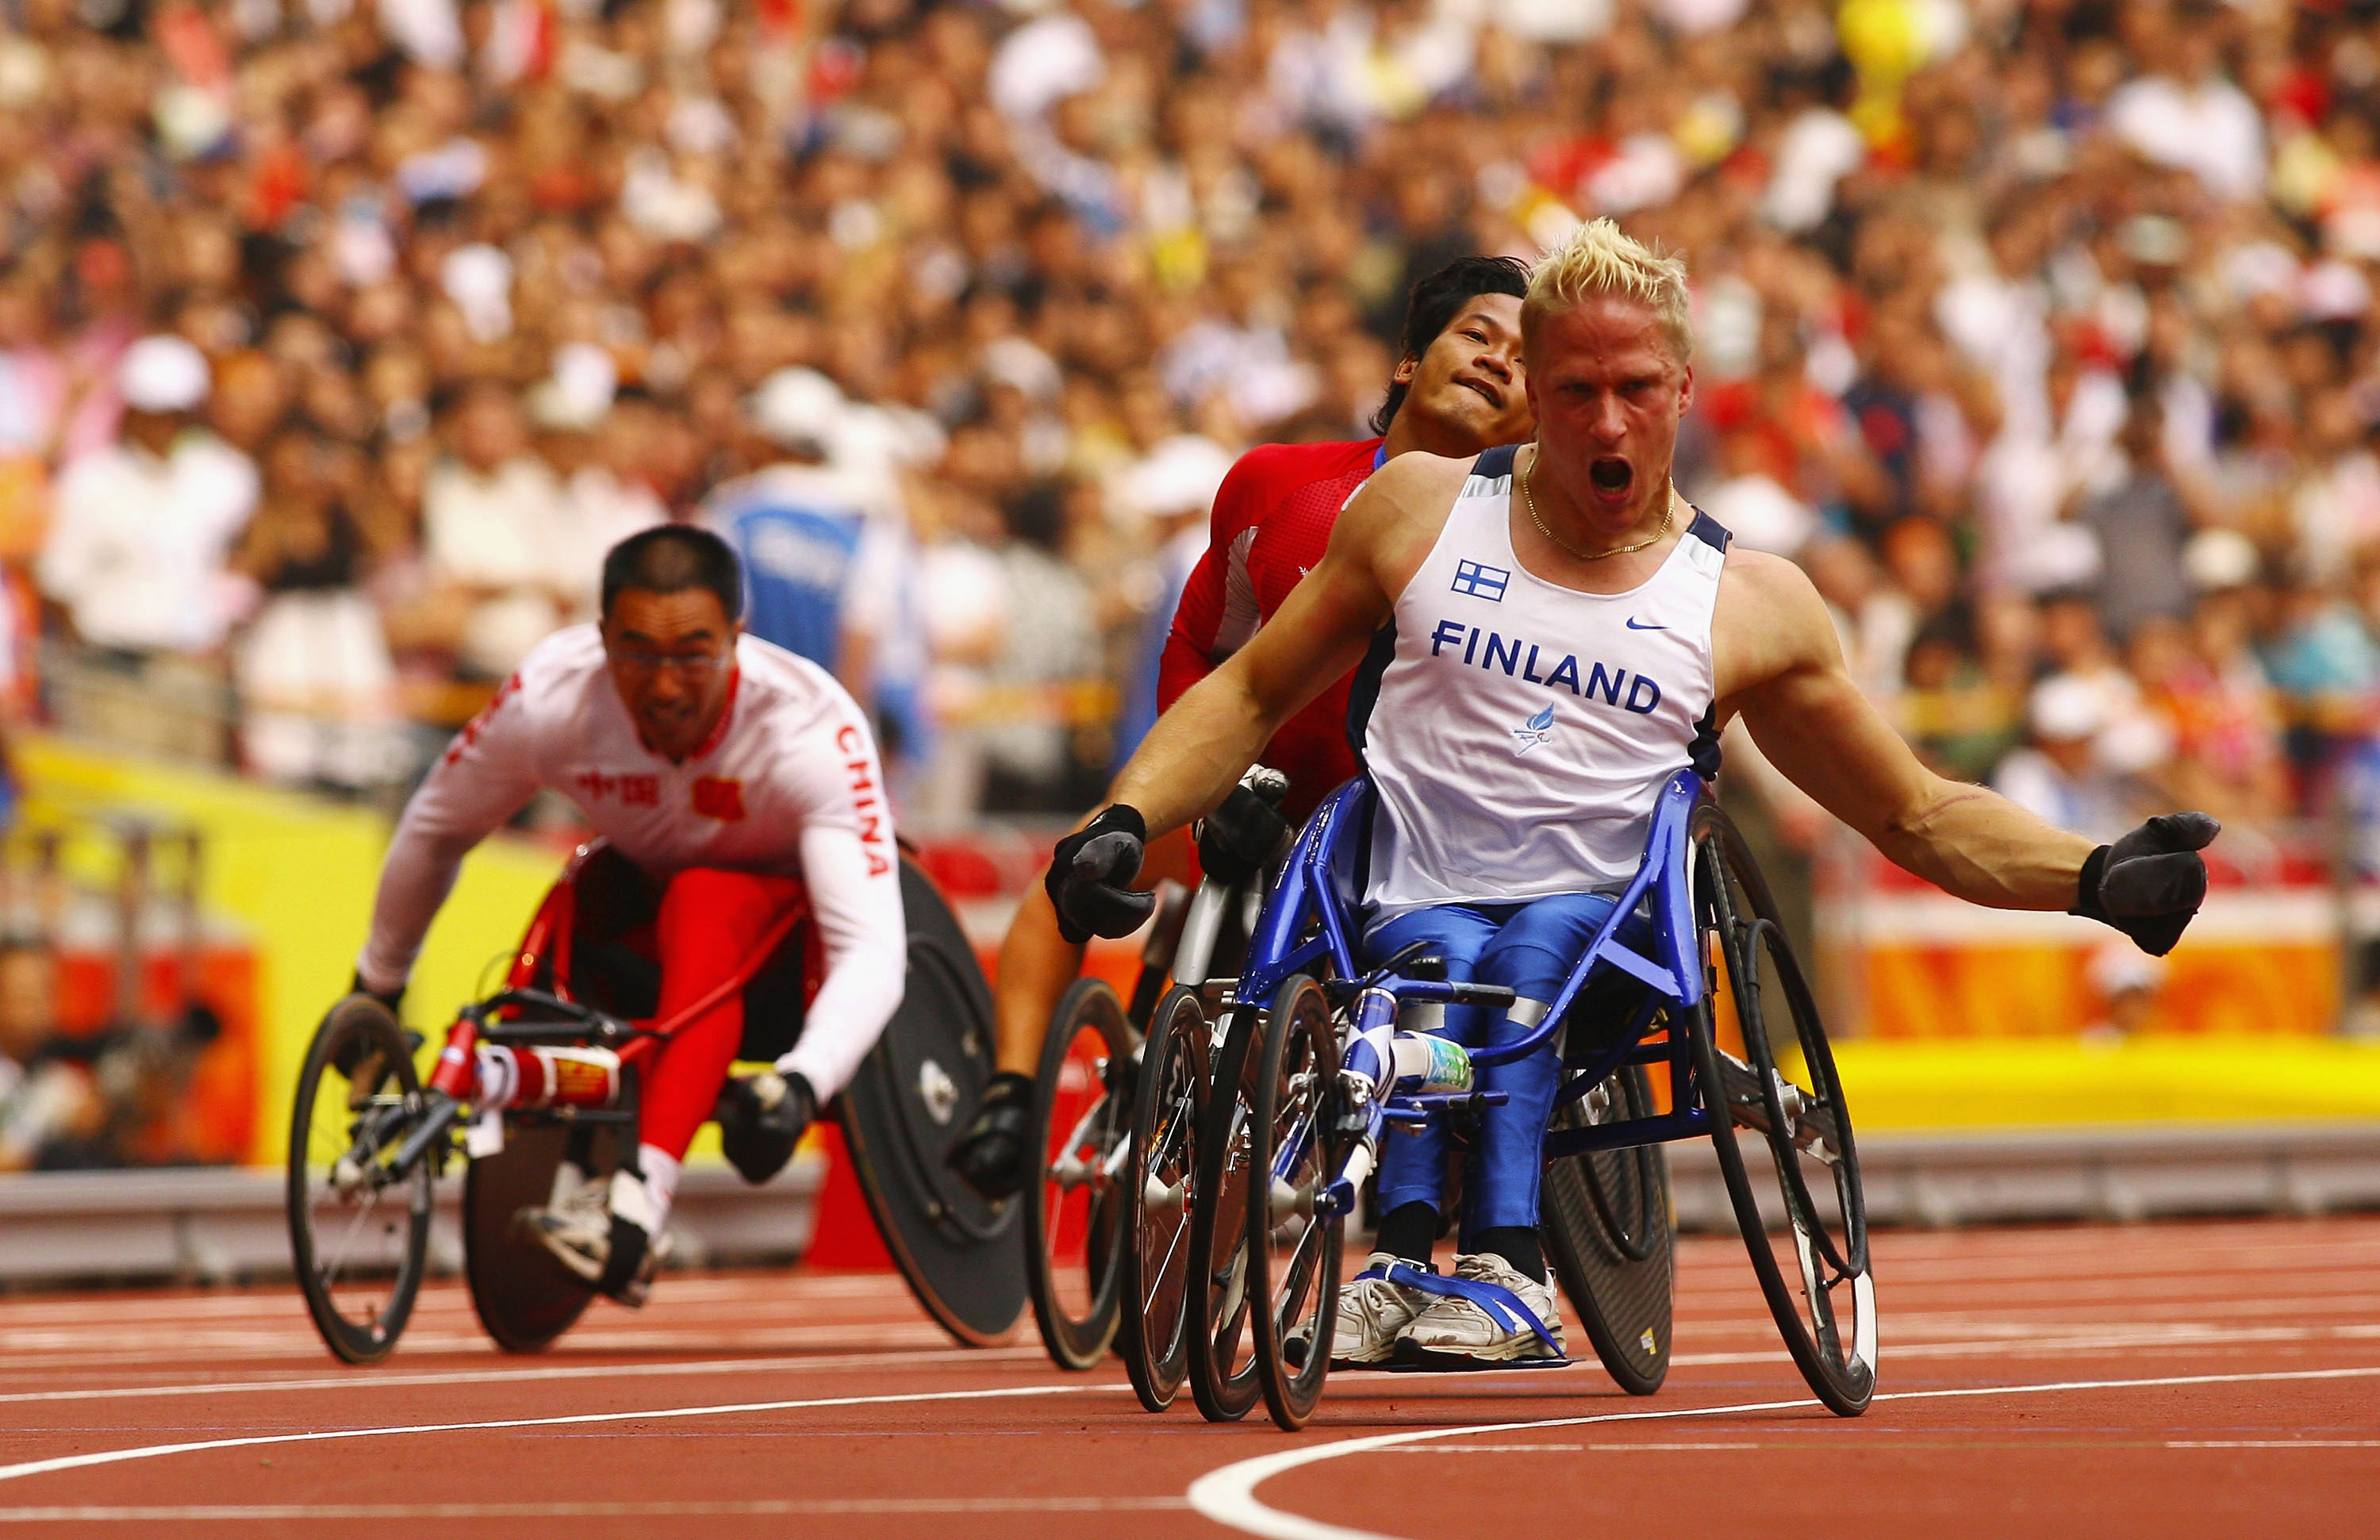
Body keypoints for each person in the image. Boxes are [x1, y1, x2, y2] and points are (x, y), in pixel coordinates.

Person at [1046, 220, 2218, 1369]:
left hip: (1603, 929)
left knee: (1521, 963)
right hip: (1399, 899)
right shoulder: (1414, 514)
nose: (1606, 424)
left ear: (1685, 388)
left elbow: (1911, 811)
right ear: (1533, 392)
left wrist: (2097, 877)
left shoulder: (1750, 605)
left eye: (1637, 390)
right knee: (1429, 969)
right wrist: (1124, 821)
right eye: (1573, 393)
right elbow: (1247, 691)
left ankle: (1510, 1269)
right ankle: (1401, 1260)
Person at [946, 254, 1540, 1202]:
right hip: (1252, 804)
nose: (1496, 362)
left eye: (1524, 358)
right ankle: (1012, 1095)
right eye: (1476, 334)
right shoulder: (1274, 486)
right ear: (1406, 362)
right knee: (1077, 867)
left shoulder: (1535, 542)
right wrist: (1208, 793)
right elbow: (1199, 654)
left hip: (1415, 852)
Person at [350, 526, 906, 1304]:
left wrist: (802, 1084)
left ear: (737, 640)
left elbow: (874, 950)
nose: (667, 687)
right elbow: (436, 828)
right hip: (655, 939)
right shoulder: (550, 698)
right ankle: (578, 1161)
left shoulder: (811, 728)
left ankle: (639, 1206)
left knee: (704, 895)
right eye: (639, 656)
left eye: (692, 657)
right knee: (582, 891)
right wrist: (377, 985)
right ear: (601, 639)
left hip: (791, 962)